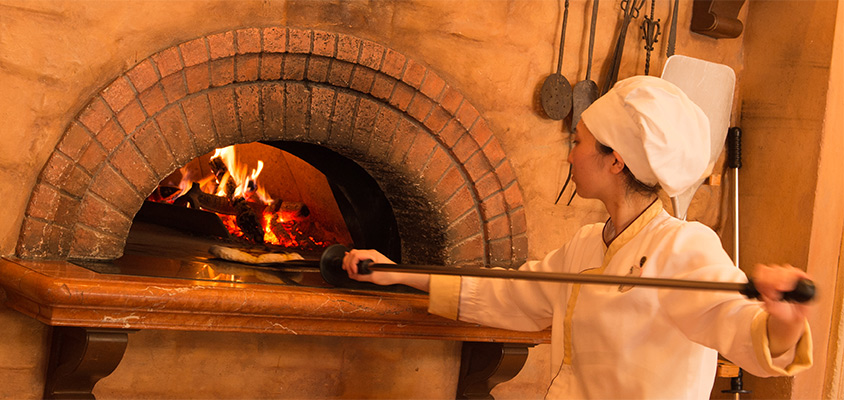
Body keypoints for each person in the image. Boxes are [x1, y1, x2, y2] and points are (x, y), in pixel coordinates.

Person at [340, 76, 813, 398]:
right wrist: (399, 274)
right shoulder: (587, 244)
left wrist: (785, 320)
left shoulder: (684, 247)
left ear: (616, 160)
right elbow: (512, 294)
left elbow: (742, 329)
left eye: (578, 141)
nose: (570, 155)